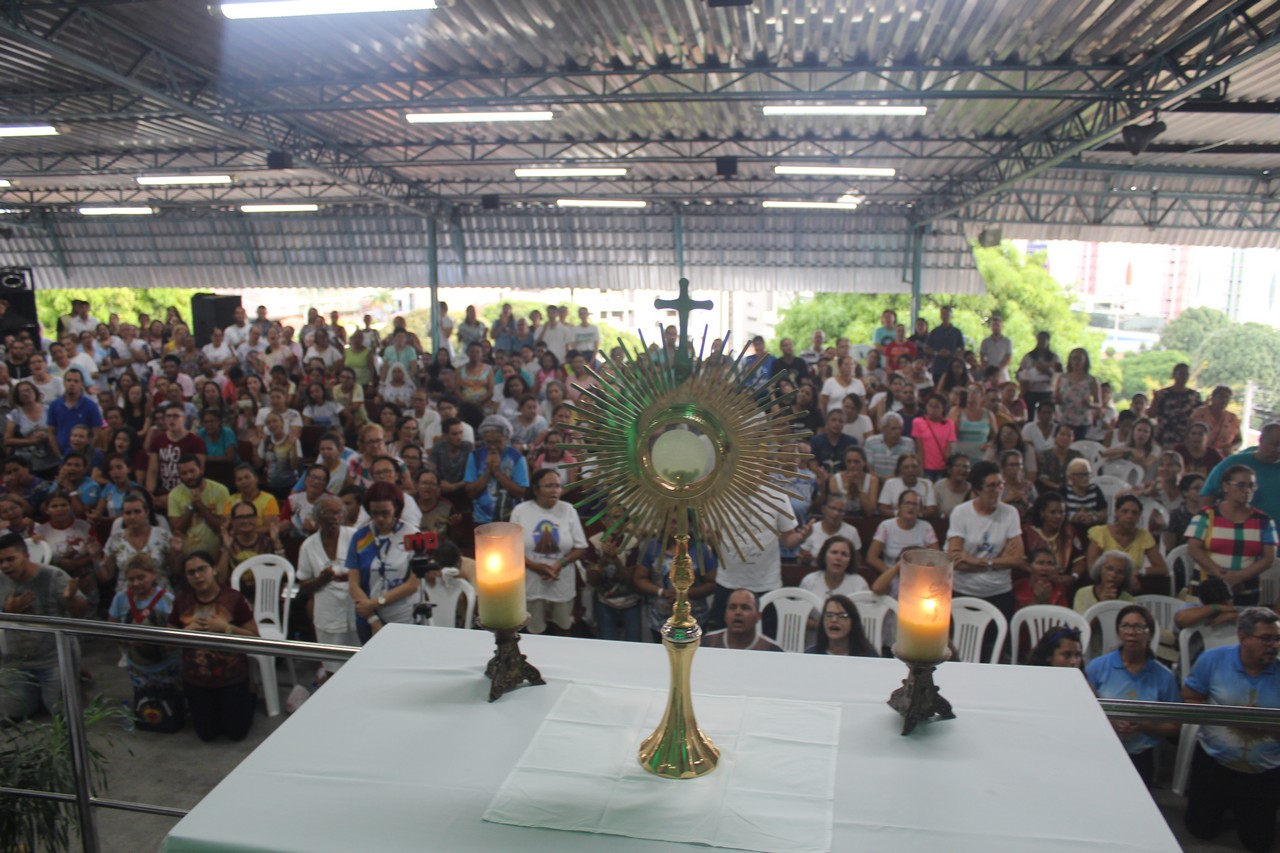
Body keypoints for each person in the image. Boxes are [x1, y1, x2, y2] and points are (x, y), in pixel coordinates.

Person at [1183, 607, 1280, 852]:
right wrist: (1229, 716)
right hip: (1214, 762)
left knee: (1258, 843)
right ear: (1243, 637)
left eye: (1277, 638)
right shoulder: (1212, 661)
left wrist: (1263, 724)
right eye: (1266, 639)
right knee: (1200, 831)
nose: (1274, 645)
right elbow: (1189, 699)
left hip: (1264, 771)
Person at [1084, 604, 1180, 786]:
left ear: (1149, 633)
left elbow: (1174, 725)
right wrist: (1111, 723)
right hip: (1101, 749)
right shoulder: (1097, 667)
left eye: (1138, 627)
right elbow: (1084, 709)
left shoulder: (1164, 676)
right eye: (1125, 626)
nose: (1131, 632)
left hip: (1141, 755)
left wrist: (1143, 726)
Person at [169, 551, 259, 742]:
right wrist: (187, 631)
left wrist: (226, 628)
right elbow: (168, 643)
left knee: (237, 734)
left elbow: (254, 638)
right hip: (196, 681)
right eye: (191, 573)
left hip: (232, 679)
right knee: (207, 735)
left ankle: (249, 696)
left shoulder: (234, 599)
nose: (198, 576)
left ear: (215, 570)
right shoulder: (181, 601)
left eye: (202, 569)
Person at [0, 532, 90, 722]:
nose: (5, 566)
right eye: (0, 561)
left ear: (26, 555)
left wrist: (71, 598)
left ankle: (72, 676)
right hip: (17, 661)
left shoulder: (53, 576)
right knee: (14, 712)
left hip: (53, 659)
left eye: (10, 559)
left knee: (62, 714)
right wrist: (9, 612)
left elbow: (80, 612)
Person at [706, 492, 807, 635]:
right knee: (720, 642)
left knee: (766, 643)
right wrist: (709, 537)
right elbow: (711, 539)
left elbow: (789, 540)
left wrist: (801, 537)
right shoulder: (720, 495)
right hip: (728, 583)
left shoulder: (777, 496)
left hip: (767, 584)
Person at [508, 469, 588, 636]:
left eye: (558, 486)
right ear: (536, 489)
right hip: (531, 581)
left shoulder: (568, 510)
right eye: (549, 486)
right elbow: (511, 550)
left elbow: (581, 547)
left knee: (564, 629)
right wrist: (536, 567)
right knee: (533, 630)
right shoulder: (521, 511)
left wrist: (560, 564)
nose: (555, 490)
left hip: (561, 580)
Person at [106, 553, 182, 725]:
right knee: (147, 706)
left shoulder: (167, 600)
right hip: (138, 667)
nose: (136, 583)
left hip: (167, 667)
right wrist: (126, 641)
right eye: (131, 579)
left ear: (154, 575)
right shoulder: (120, 599)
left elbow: (177, 635)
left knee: (171, 705)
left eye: (141, 577)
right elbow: (110, 630)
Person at [946, 460, 1024, 626]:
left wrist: (977, 560)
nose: (997, 491)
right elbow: (956, 561)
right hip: (964, 591)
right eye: (991, 486)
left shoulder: (1010, 513)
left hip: (999, 592)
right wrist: (999, 561)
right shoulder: (961, 513)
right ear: (976, 490)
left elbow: (1017, 559)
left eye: (1000, 485)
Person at [1187, 464, 1277, 607]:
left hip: (1246, 590)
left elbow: (1269, 558)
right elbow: (1194, 549)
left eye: (1251, 486)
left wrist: (1239, 577)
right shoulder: (1207, 515)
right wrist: (1224, 577)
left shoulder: (1264, 521)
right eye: (1241, 485)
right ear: (1226, 487)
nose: (1247, 490)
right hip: (1208, 588)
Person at [346, 482, 420, 642]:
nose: (380, 519)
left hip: (402, 616)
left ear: (396, 509)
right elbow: (353, 584)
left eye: (385, 513)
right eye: (374, 513)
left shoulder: (413, 536)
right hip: (368, 617)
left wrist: (375, 603)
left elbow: (413, 584)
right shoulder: (360, 537)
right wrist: (373, 620)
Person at [296, 495, 356, 681]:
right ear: (317, 517)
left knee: (360, 662)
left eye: (338, 512)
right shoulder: (308, 546)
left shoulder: (354, 536)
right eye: (328, 512)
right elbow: (303, 585)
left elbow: (369, 571)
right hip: (327, 613)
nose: (334, 518)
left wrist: (349, 576)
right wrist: (321, 580)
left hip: (355, 608)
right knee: (333, 668)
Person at [1086, 494, 1168, 590]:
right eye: (1124, 511)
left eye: (1134, 513)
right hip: (1104, 581)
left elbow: (1162, 568)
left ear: (1139, 517)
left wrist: (1138, 572)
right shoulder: (1101, 532)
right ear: (1116, 513)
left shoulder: (1144, 535)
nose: (1129, 516)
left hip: (1134, 581)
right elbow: (1092, 568)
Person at [1202, 422, 1280, 522]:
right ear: (1261, 440)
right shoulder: (1233, 462)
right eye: (1275, 444)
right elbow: (1209, 494)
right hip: (1234, 529)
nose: (1278, 450)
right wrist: (1205, 523)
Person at [868, 491, 941, 593]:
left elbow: (937, 557)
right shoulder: (886, 526)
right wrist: (893, 573)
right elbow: (871, 557)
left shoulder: (926, 527)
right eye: (907, 503)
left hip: (919, 578)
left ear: (919, 509)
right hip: (892, 577)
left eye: (915, 504)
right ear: (899, 506)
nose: (911, 507)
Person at [100, 492, 172, 593]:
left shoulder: (162, 535)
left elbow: (176, 570)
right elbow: (106, 576)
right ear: (122, 515)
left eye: (137, 512)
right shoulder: (115, 539)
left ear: (146, 512)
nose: (132, 517)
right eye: (128, 513)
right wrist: (95, 558)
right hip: (126, 598)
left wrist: (177, 552)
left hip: (160, 597)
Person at [464, 415, 529, 524]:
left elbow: (521, 492)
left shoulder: (517, 458)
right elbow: (470, 492)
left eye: (498, 442)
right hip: (482, 520)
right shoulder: (475, 456)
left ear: (507, 439)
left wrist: (497, 472)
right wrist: (488, 471)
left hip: (511, 520)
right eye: (489, 442)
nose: (493, 446)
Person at [168, 454, 230, 564]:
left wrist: (201, 506)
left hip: (216, 557)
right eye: (184, 473)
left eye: (192, 471)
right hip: (187, 558)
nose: (189, 476)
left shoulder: (220, 490)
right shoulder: (174, 495)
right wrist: (191, 507)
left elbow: (222, 526)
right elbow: (177, 530)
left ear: (201, 470)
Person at [1023, 491, 1086, 582]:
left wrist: (1073, 576)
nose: (1058, 516)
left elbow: (1080, 561)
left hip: (1061, 582)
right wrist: (1044, 575)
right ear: (1042, 513)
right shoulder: (1027, 532)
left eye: (1061, 512)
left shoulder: (1070, 532)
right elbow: (1021, 562)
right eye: (1053, 512)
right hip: (1032, 582)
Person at [701, 589, 783, 651]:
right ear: (725, 615)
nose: (738, 612)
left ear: (758, 616)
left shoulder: (772, 650)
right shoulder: (706, 644)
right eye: (732, 607)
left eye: (745, 608)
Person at [799, 535, 868, 604]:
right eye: (834, 552)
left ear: (850, 560)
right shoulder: (809, 581)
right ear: (824, 555)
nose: (838, 558)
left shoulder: (859, 584)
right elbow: (800, 611)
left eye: (844, 554)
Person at [806, 594, 878, 657]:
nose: (834, 620)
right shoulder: (811, 655)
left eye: (842, 615)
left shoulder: (868, 655)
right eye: (829, 615)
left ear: (853, 621)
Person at [797, 497, 862, 564]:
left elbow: (857, 561)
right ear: (823, 509)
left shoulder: (851, 531)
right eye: (832, 508)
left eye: (841, 511)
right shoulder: (811, 529)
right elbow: (800, 558)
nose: (836, 513)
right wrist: (805, 559)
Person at [1152, 363, 1202, 450]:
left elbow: (1199, 417)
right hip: (1165, 436)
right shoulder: (1163, 394)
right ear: (1174, 375)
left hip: (1186, 438)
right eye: (1181, 373)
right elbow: (1151, 414)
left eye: (1186, 374)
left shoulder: (1194, 396)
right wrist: (1155, 400)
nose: (1184, 377)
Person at [912, 392, 957, 479]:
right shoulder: (918, 422)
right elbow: (919, 448)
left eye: (937, 407)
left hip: (942, 467)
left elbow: (948, 450)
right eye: (930, 405)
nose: (932, 409)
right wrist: (920, 469)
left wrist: (949, 469)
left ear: (943, 409)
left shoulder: (949, 424)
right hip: (926, 468)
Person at [1017, 331, 1063, 413]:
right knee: (1029, 413)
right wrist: (1023, 381)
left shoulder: (1055, 358)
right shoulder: (1028, 356)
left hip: (1047, 391)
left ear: (1048, 341)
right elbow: (1019, 372)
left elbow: (1060, 377)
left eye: (1043, 340)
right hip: (1030, 391)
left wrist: (1046, 372)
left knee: (1046, 413)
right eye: (1039, 339)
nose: (1041, 342)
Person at [1191, 385, 1242, 456]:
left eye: (1227, 397)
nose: (1224, 400)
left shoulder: (1233, 418)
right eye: (1221, 396)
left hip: (1223, 458)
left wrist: (1231, 448)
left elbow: (1239, 440)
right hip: (1201, 455)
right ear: (1213, 397)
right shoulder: (1199, 413)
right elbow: (1187, 434)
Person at [863, 412, 917, 479]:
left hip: (899, 482)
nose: (897, 432)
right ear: (883, 429)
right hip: (875, 482)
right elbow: (868, 468)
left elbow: (911, 468)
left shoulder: (908, 444)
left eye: (899, 428)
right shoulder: (871, 442)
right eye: (893, 429)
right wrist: (881, 478)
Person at [829, 446, 879, 516]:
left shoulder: (872, 480)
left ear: (864, 463)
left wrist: (859, 488)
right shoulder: (835, 479)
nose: (852, 465)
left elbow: (870, 511)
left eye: (856, 462)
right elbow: (836, 509)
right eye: (849, 461)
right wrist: (848, 489)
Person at [1062, 458, 1108, 529]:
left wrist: (1093, 518)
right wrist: (1072, 519)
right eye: (1080, 475)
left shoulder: (1095, 489)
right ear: (1070, 477)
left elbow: (1104, 514)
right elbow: (1057, 515)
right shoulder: (1064, 490)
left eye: (1087, 474)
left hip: (1092, 530)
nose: (1085, 478)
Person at [1035, 423, 1080, 495]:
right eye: (1062, 434)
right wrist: (1060, 488)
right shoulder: (1044, 455)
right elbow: (1043, 479)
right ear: (1055, 436)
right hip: (1049, 492)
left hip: (1073, 492)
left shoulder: (1077, 456)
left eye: (1069, 435)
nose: (1065, 438)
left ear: (1073, 439)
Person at [924, 306, 965, 384]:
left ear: (951, 316)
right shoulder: (935, 331)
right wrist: (937, 353)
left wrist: (952, 354)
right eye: (943, 314)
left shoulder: (956, 332)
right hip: (938, 366)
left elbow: (962, 349)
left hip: (953, 367)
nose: (945, 316)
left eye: (947, 314)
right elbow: (926, 348)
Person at [934, 453, 972, 518]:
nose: (962, 470)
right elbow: (933, 513)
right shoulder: (939, 487)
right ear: (949, 469)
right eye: (958, 466)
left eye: (966, 467)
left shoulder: (971, 489)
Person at [978, 314, 1012, 383]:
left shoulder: (1007, 341)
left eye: (997, 325)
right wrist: (987, 368)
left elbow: (1008, 357)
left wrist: (999, 369)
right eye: (993, 325)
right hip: (989, 371)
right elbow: (982, 356)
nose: (995, 327)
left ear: (1001, 326)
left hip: (1002, 372)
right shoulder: (985, 341)